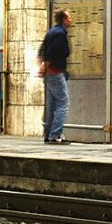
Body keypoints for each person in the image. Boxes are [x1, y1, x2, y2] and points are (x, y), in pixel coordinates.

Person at [38, 9, 73, 144]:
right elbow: (52, 53)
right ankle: (55, 134)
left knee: (52, 105)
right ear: (64, 19)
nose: (71, 19)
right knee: (63, 103)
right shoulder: (59, 34)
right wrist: (45, 65)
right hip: (55, 72)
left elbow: (42, 49)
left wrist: (41, 64)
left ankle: (48, 134)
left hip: (50, 72)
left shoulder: (52, 31)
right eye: (69, 17)